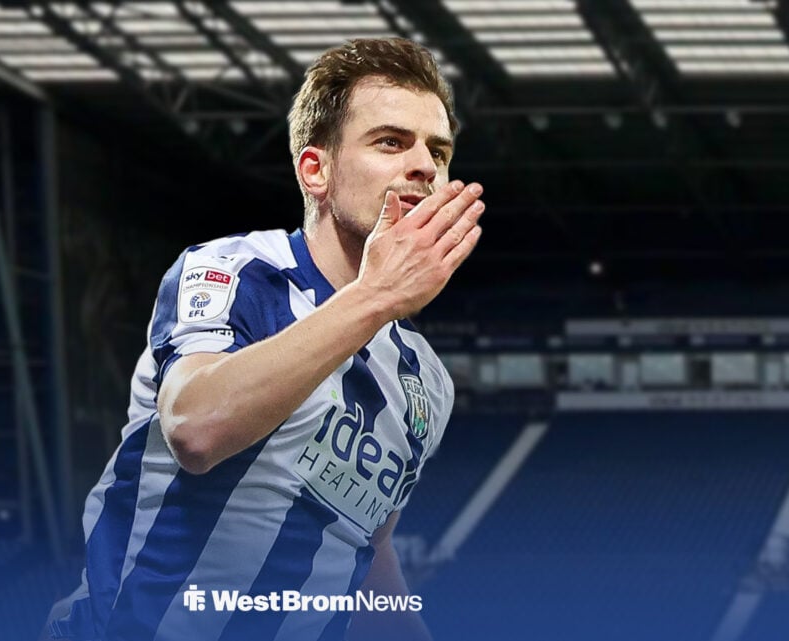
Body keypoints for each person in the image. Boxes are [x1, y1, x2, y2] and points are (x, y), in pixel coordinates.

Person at [43, 37, 484, 641]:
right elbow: (197, 428)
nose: (425, 166)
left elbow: (369, 544)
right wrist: (376, 296)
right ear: (316, 169)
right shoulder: (237, 270)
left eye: (439, 151)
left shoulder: (425, 380)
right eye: (390, 142)